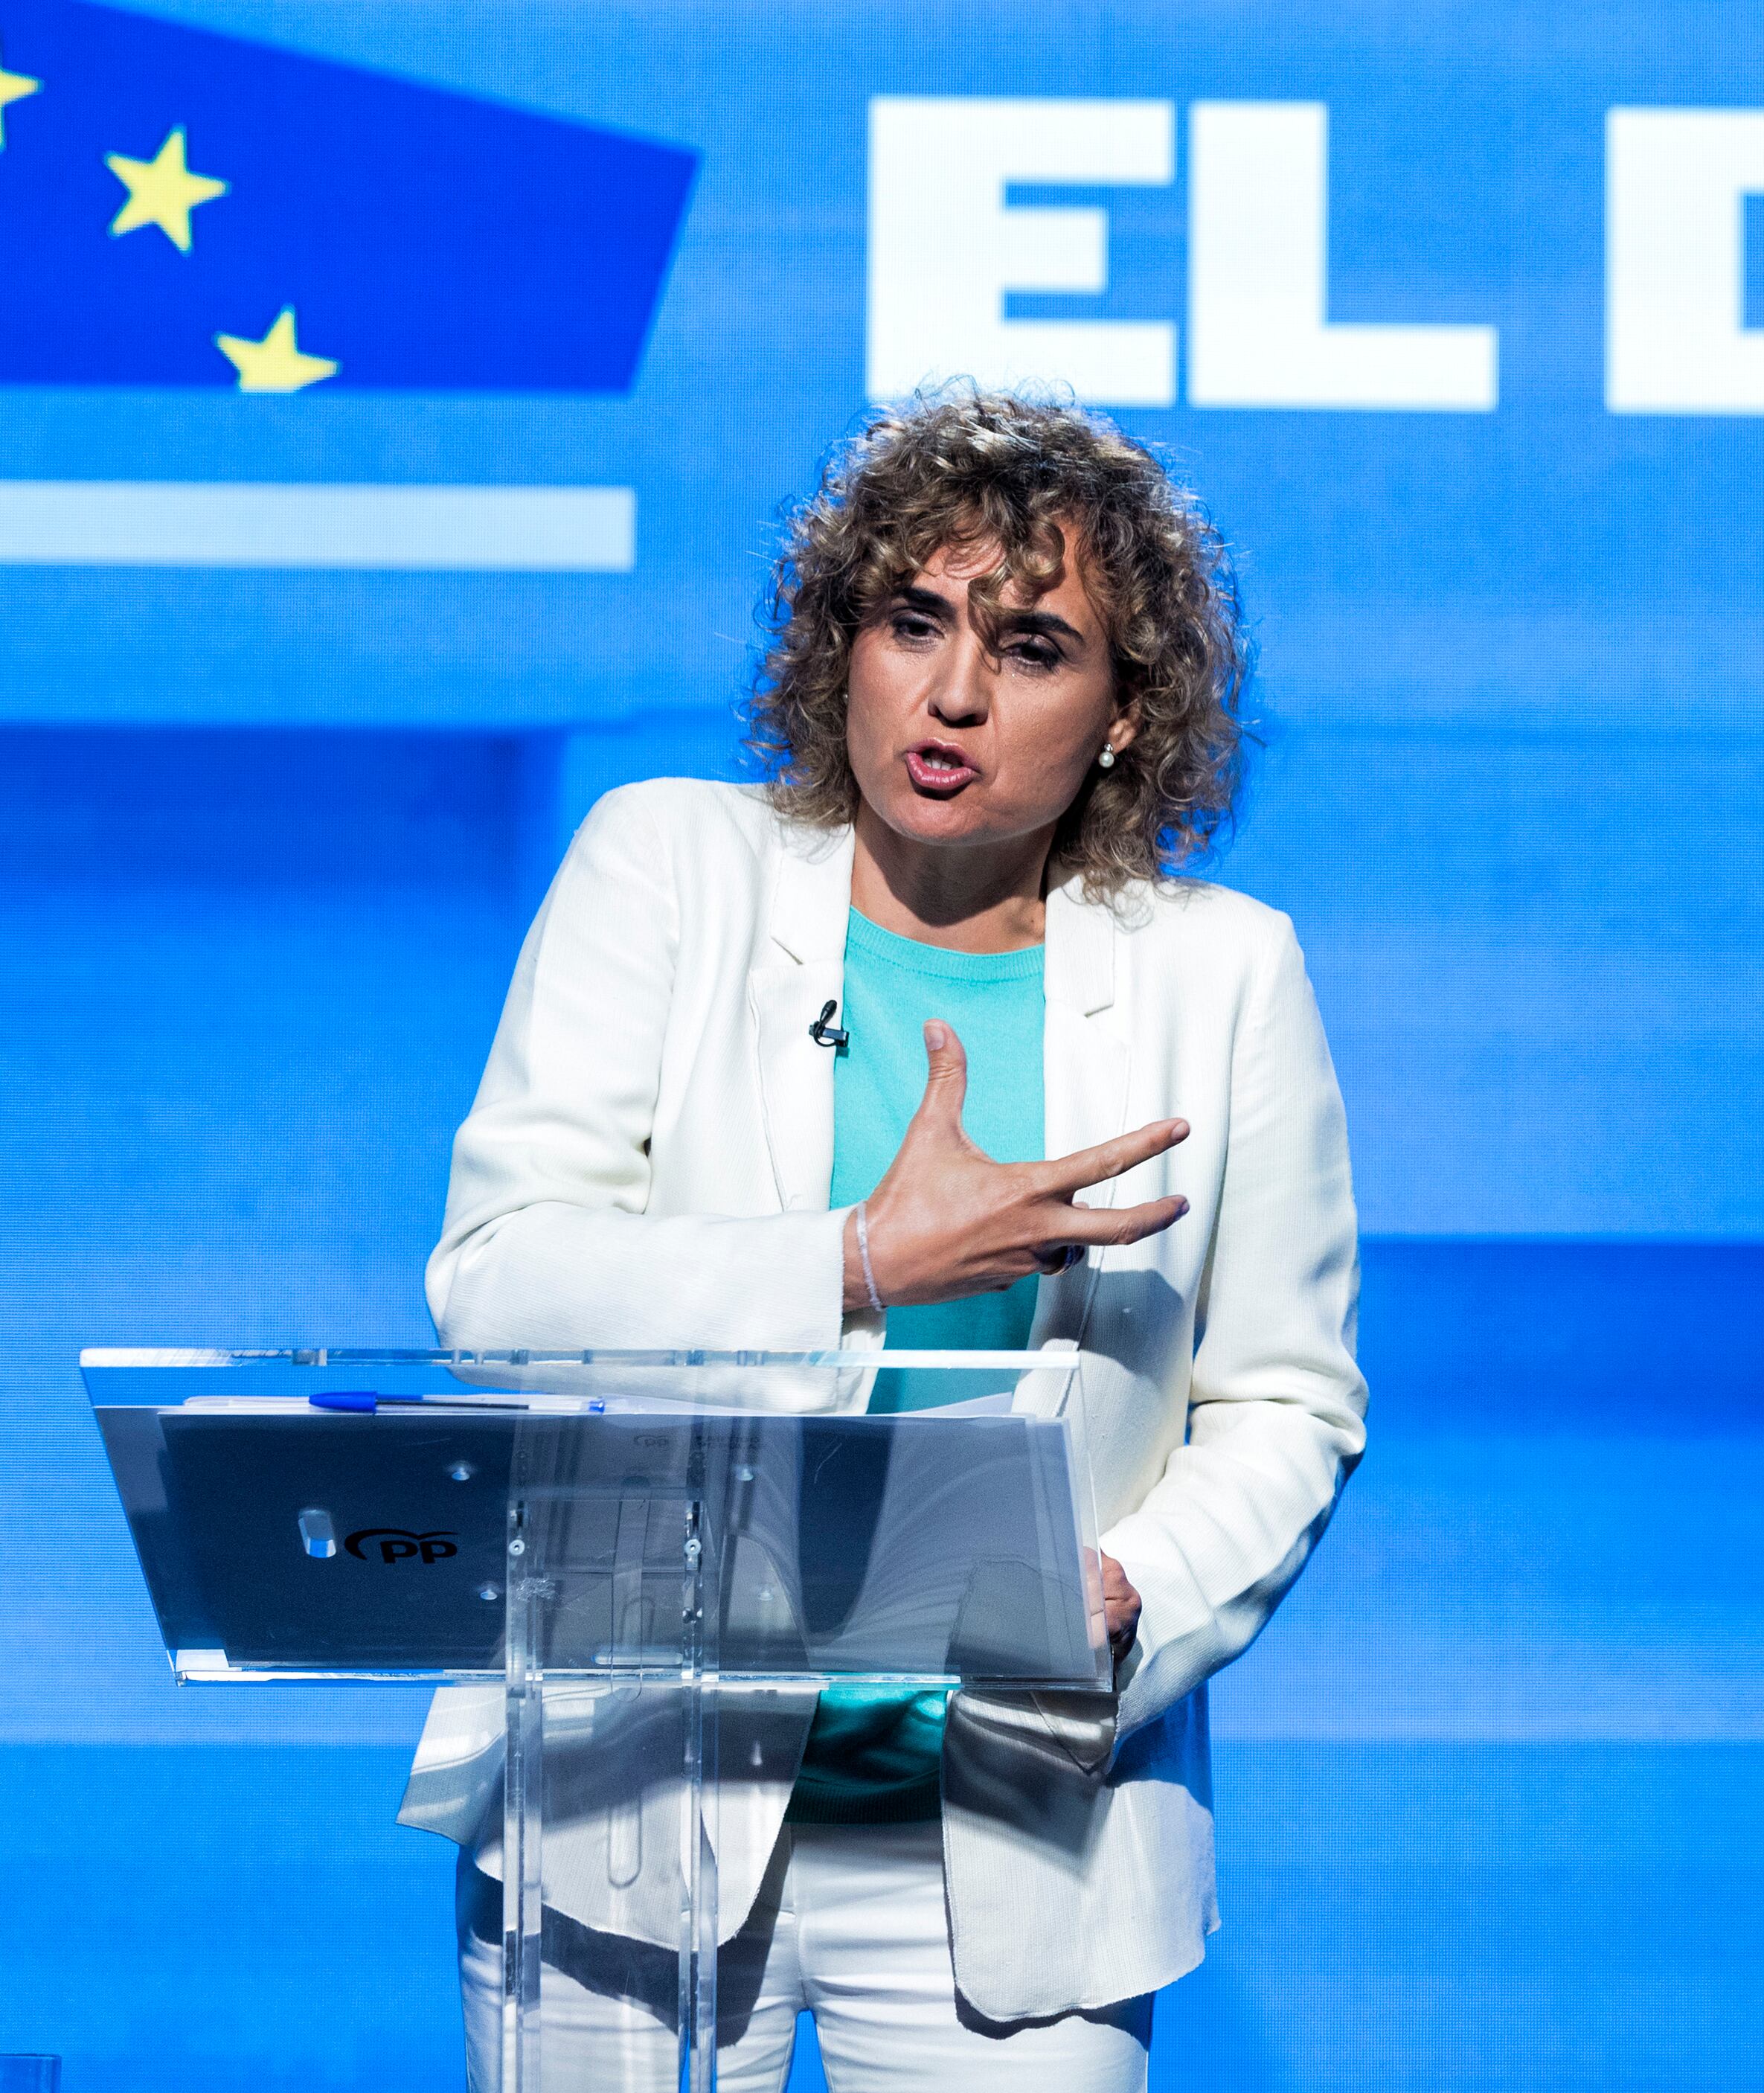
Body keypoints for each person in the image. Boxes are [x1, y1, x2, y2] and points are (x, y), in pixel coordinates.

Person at [400, 389, 1366, 2089]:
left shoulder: (1225, 972)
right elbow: (499, 1278)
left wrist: (1136, 1590)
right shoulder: (667, 865)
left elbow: (1285, 1402)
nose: (955, 693)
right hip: (633, 1780)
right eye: (912, 622)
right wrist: (854, 1263)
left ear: (1128, 714)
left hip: (1016, 1809)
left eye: (1036, 646)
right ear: (839, 642)